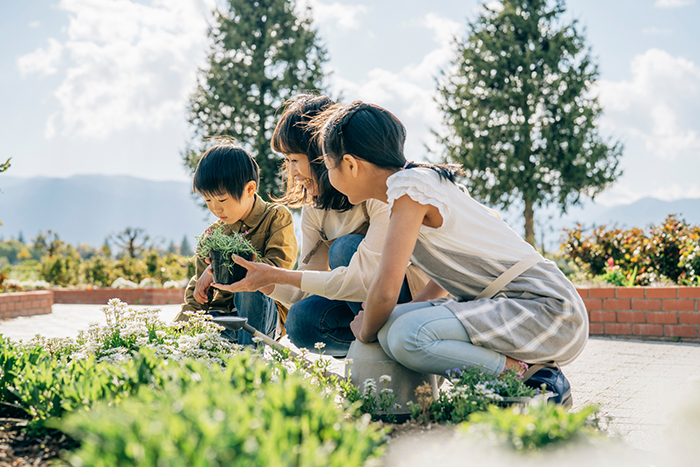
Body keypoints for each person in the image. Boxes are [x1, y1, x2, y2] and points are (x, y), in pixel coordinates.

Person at [304, 101, 588, 406]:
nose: (326, 175)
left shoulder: (410, 190)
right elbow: (445, 273)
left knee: (405, 337)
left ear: (350, 164)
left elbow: (385, 291)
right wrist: (401, 315)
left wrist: (365, 328)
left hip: (548, 310)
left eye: (328, 165)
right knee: (391, 327)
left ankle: (529, 379)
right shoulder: (420, 181)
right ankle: (514, 376)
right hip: (512, 306)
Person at [210, 94, 428, 357]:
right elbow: (304, 285)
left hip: (411, 301)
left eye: (294, 159)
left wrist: (279, 274)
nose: (291, 173)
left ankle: (391, 342)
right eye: (286, 161)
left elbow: (366, 278)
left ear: (320, 155)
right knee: (301, 320)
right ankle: (374, 348)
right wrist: (264, 279)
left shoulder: (378, 191)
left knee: (344, 250)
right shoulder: (314, 207)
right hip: (362, 305)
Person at [174, 143, 298, 346]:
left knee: (248, 282)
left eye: (222, 200)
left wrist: (217, 268)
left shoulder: (276, 217)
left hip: (265, 319)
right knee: (195, 330)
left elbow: (276, 269)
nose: (215, 208)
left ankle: (249, 363)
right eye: (208, 200)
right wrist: (171, 334)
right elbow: (197, 294)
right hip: (224, 322)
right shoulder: (213, 234)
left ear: (250, 189)